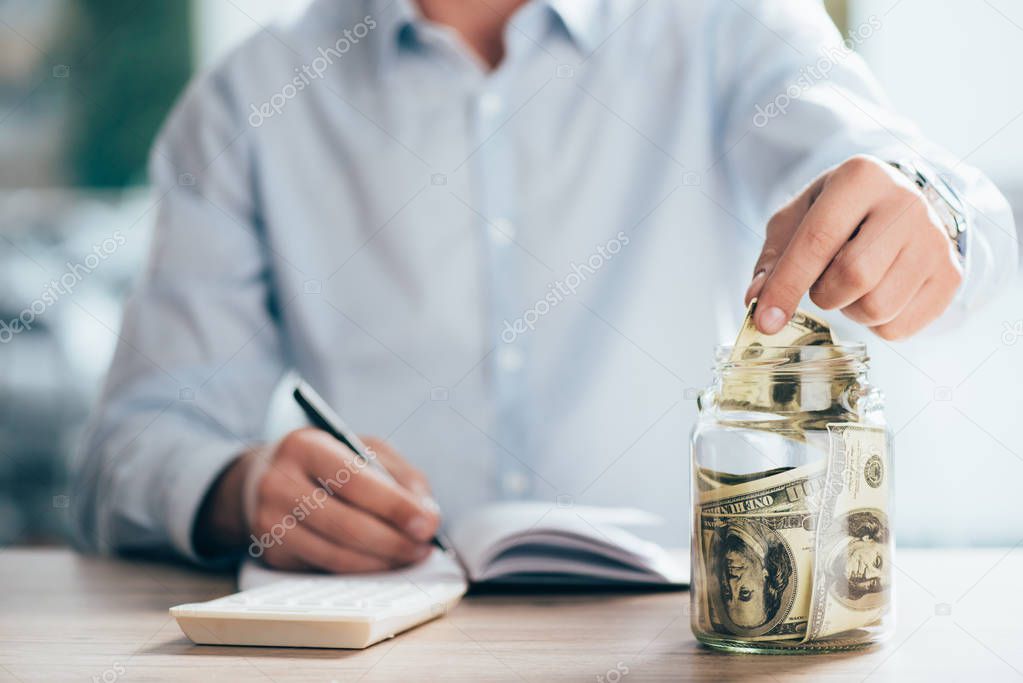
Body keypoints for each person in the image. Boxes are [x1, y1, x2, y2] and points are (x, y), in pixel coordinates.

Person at [71, 0, 1016, 572]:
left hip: (694, 638)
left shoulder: (729, 23)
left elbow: (933, 193)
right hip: (387, 649)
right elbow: (132, 445)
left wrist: (928, 214)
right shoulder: (250, 99)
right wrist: (238, 489)